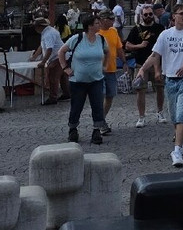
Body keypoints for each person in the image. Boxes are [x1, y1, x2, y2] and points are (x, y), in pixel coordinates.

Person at [136, 3, 183, 168]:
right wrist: (142, 69)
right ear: (173, 17)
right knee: (175, 117)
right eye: (181, 13)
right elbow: (155, 55)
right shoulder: (165, 35)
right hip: (169, 79)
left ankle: (176, 151)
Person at [58, 13, 109, 145]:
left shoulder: (101, 40)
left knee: (97, 106)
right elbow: (61, 52)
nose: (100, 25)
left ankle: (96, 130)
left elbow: (107, 52)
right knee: (76, 106)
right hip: (78, 81)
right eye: (97, 23)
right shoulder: (77, 38)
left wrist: (105, 65)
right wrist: (65, 68)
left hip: (96, 79)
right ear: (90, 26)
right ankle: (73, 129)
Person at [124, 4, 167, 127]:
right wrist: (139, 46)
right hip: (140, 64)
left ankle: (160, 112)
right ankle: (141, 116)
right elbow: (127, 45)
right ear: (141, 16)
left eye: (150, 14)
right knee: (140, 90)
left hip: (157, 64)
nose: (148, 16)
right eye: (146, 14)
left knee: (159, 88)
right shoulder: (136, 29)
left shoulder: (160, 28)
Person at [97, 12, 126, 132]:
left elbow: (119, 48)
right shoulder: (97, 33)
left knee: (110, 95)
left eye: (113, 18)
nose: (113, 21)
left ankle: (101, 119)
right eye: (110, 19)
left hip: (111, 69)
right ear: (103, 20)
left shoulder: (113, 31)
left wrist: (124, 62)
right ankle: (99, 122)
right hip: (98, 70)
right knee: (100, 96)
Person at [30, 16, 65, 104]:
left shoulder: (49, 34)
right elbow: (42, 46)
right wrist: (34, 57)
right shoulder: (47, 32)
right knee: (63, 77)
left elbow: (49, 49)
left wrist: (43, 61)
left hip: (57, 57)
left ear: (39, 27)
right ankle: (67, 93)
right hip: (60, 56)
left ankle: (53, 97)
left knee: (53, 77)